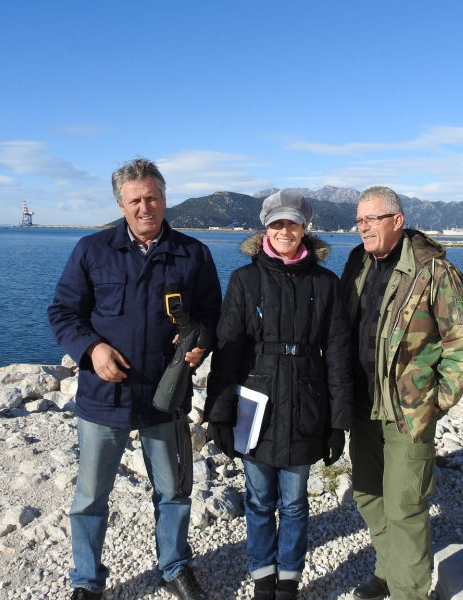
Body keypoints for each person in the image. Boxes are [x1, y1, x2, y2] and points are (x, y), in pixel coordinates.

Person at [48, 158, 222, 600]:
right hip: (104, 394)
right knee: (91, 496)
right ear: (120, 205)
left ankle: (174, 567)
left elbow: (210, 315)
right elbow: (63, 313)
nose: (145, 207)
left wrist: (201, 343)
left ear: (164, 199)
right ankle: (87, 580)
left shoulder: (193, 253)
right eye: (135, 200)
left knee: (173, 491)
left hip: (166, 394)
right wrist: (92, 348)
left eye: (153, 197)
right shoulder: (92, 250)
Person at [205, 190, 353, 600]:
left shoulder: (325, 283)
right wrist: (219, 413)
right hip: (256, 404)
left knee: (294, 502)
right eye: (277, 224)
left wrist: (338, 423)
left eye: (292, 223)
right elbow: (227, 350)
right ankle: (262, 575)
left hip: (307, 402)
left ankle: (288, 578)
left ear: (305, 228)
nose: (285, 231)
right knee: (258, 499)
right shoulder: (244, 280)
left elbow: (337, 354)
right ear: (265, 229)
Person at [341, 186, 463, 600]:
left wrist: (437, 399)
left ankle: (410, 592)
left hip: (407, 410)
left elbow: (462, 340)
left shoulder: (433, 272)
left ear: (397, 221)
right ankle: (388, 570)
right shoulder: (357, 263)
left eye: (371, 219)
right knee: (368, 494)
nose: (363, 227)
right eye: (359, 220)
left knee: (405, 505)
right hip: (362, 405)